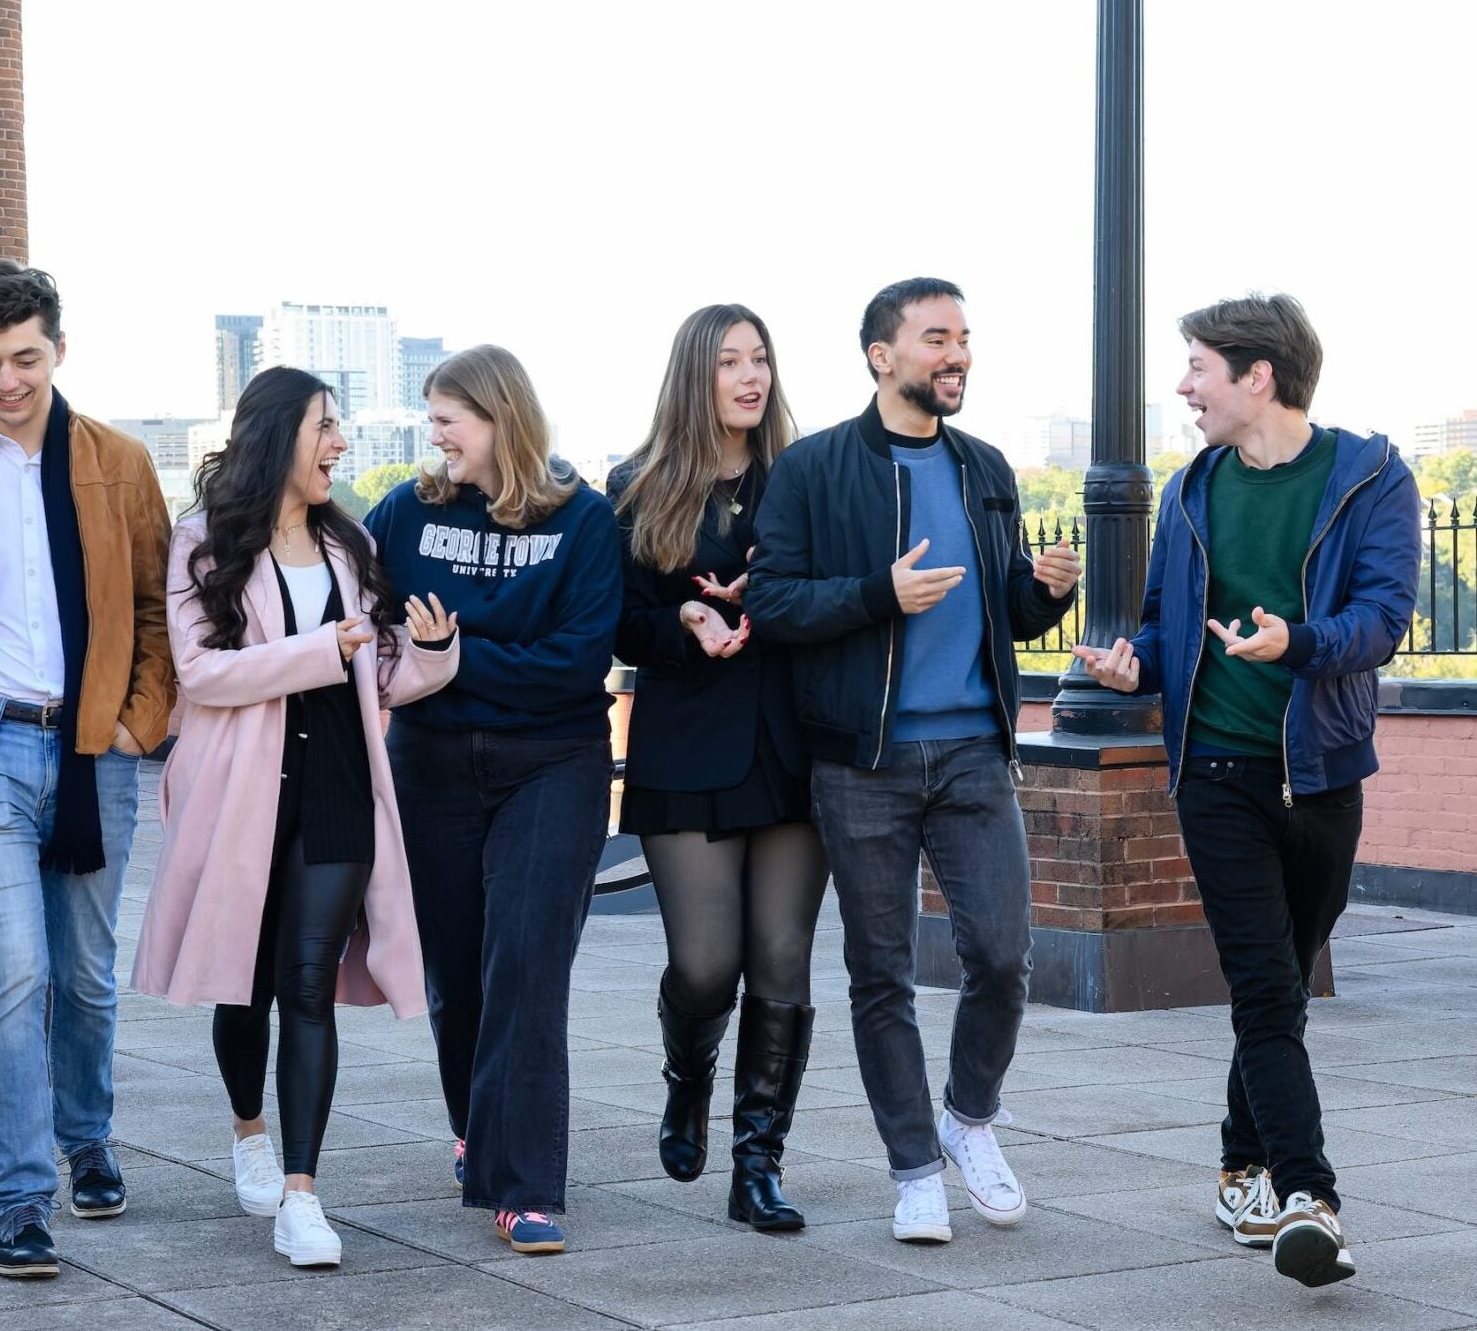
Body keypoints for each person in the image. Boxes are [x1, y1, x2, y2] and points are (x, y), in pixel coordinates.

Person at [1073, 293, 1420, 1288]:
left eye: (1197, 367)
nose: (1184, 386)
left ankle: (1238, 1165)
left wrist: (1295, 642)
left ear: (1256, 376)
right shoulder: (1190, 490)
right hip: (1216, 771)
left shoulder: (1369, 478)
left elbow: (1382, 619)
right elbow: (1159, 625)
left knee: (1285, 977)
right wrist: (1133, 666)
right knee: (1265, 986)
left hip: (1320, 774)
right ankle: (1309, 1196)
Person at [746, 278, 1081, 1245]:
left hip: (975, 751)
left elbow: (1008, 611)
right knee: (881, 975)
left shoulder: (985, 467)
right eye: (937, 337)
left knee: (1002, 958)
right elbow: (772, 604)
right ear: (881, 356)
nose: (957, 354)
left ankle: (968, 1120)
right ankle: (914, 1171)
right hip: (864, 760)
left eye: (963, 337)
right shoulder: (813, 469)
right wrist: (877, 594)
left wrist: (1045, 591)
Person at [130, 367, 458, 1268]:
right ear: (279, 435)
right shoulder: (204, 541)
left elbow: (375, 671)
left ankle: (303, 1197)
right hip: (243, 790)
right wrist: (321, 650)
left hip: (339, 783)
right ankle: (250, 1133)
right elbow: (202, 674)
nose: (340, 443)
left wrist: (430, 655)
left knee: (308, 982)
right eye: (325, 426)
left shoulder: (349, 542)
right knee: (246, 984)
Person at [0, 260, 174, 1279]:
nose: (4, 380)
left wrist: (138, 722)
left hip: (96, 747)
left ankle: (86, 1134)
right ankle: (19, 1198)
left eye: (23, 358)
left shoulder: (121, 462)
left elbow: (158, 607)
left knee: (85, 973)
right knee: (14, 969)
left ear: (58, 349)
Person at [363, 345, 622, 1254]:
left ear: (498, 416)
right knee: (458, 973)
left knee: (527, 963)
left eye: (446, 420)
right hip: (429, 763)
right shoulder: (405, 512)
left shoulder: (583, 519)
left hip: (553, 763)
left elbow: (576, 662)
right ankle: (477, 1132)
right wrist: (427, 663)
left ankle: (522, 1185)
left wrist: (452, 658)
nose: (434, 436)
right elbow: (373, 633)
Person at [608, 305, 825, 1232]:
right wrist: (685, 621)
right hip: (687, 745)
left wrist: (774, 597)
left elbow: (838, 599)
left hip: (793, 746)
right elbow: (621, 624)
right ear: (696, 375)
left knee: (782, 960)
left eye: (760, 358)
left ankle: (758, 1165)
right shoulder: (637, 485)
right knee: (705, 966)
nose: (750, 376)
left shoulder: (807, 477)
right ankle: (687, 1075)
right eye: (730, 361)